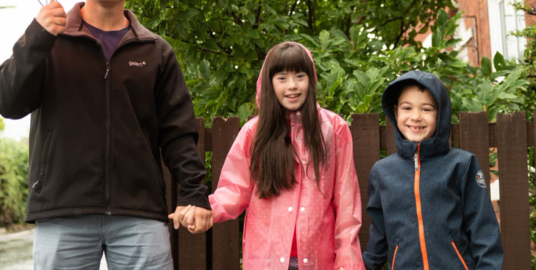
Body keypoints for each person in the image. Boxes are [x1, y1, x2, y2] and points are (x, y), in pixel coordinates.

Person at [0, 0, 211, 270]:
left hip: (138, 214)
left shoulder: (156, 51)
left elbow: (178, 133)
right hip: (62, 210)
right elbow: (7, 102)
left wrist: (194, 192)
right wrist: (36, 37)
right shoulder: (48, 40)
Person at [182, 42, 364, 270]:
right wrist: (207, 209)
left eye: (300, 76)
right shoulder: (254, 132)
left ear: (311, 79)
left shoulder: (333, 129)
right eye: (282, 78)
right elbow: (235, 189)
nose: (292, 86)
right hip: (265, 259)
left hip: (320, 259)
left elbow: (346, 200)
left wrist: (347, 256)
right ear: (269, 83)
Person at [362, 70, 503, 269]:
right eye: (407, 108)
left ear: (440, 114)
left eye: (426, 109)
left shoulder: (462, 165)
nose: (416, 116)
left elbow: (484, 230)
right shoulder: (382, 172)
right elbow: (379, 234)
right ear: (396, 112)